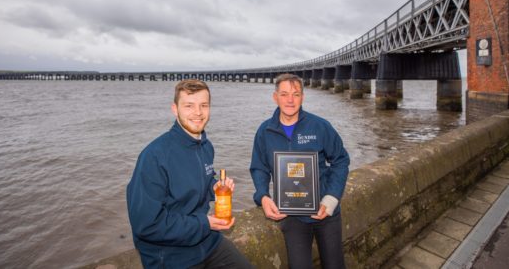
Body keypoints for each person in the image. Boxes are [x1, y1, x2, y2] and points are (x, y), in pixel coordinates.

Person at [127, 79, 253, 269]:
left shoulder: (205, 146)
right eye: (189, 106)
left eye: (204, 105)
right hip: (170, 256)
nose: (198, 113)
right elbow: (146, 224)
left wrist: (214, 187)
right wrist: (205, 223)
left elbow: (198, 179)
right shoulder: (154, 156)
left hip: (208, 243)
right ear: (174, 109)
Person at [250, 73, 350, 269]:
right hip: (291, 215)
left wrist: (331, 198)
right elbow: (259, 168)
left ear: (302, 97)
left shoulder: (320, 126)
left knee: (335, 265)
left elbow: (341, 160)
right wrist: (263, 196)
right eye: (284, 94)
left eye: (296, 94)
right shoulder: (265, 131)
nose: (290, 100)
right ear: (275, 97)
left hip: (325, 211)